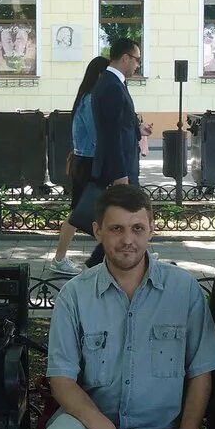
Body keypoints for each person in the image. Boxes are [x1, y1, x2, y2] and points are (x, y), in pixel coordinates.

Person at [38, 184, 215, 429]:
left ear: (152, 229)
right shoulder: (75, 295)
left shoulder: (183, 290)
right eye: (116, 229)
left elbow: (201, 372)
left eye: (137, 228)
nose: (128, 240)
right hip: (91, 425)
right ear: (97, 231)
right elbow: (62, 380)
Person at [86, 38, 151, 266]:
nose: (138, 65)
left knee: (121, 219)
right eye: (137, 60)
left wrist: (137, 129)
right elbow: (111, 133)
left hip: (121, 165)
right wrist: (119, 174)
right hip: (119, 169)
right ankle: (98, 264)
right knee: (122, 219)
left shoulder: (114, 83)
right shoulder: (112, 85)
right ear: (125, 58)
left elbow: (119, 124)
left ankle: (114, 261)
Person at [46, 56, 109, 276]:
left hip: (84, 161)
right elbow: (96, 136)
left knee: (86, 212)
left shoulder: (84, 97)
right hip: (89, 162)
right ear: (100, 75)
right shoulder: (91, 100)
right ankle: (61, 259)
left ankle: (102, 256)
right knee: (80, 213)